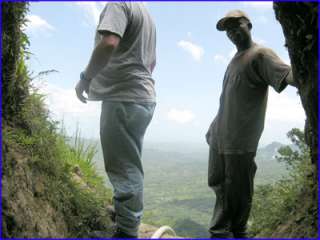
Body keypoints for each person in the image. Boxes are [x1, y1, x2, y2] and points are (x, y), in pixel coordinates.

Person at [206, 10, 295, 238]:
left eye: (237, 26)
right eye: (228, 30)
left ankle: (236, 234)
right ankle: (220, 233)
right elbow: (228, 99)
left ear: (249, 25)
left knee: (238, 194)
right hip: (219, 138)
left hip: (240, 141)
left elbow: (288, 75)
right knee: (220, 188)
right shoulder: (234, 60)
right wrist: (214, 127)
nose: (233, 33)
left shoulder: (261, 54)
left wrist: (308, 70)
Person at [75, 2, 156, 238]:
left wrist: (85, 78)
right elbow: (152, 62)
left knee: (124, 168)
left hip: (123, 97)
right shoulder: (146, 14)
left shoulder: (119, 4)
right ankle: (126, 217)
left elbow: (109, 42)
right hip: (142, 97)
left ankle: (127, 232)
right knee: (129, 162)